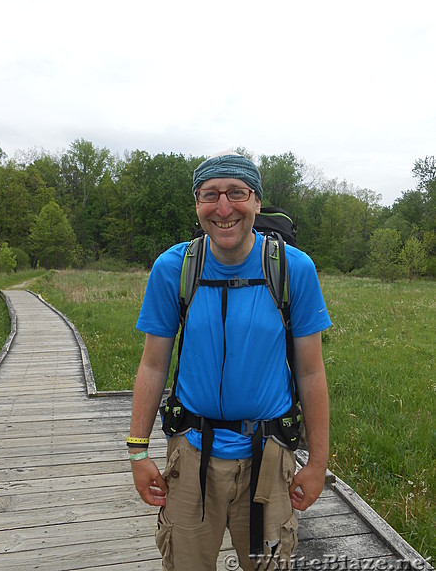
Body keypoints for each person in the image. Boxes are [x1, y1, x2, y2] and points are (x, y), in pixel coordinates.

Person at [128, 152, 331, 570]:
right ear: (197, 204)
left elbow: (311, 373)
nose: (223, 208)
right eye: (210, 195)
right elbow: (152, 365)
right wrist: (137, 452)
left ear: (256, 201)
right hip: (191, 455)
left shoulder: (293, 269)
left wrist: (317, 464)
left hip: (269, 461)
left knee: (264, 564)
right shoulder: (174, 268)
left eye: (236, 193)